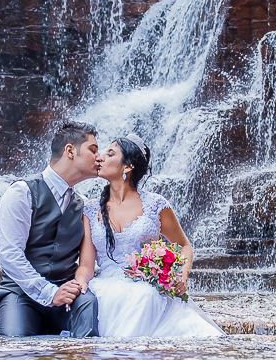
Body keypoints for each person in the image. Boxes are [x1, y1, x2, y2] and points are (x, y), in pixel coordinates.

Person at [74, 133, 223, 338]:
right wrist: (80, 281)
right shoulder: (90, 210)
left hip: (145, 287)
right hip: (105, 286)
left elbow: (183, 245)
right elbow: (86, 265)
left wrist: (181, 275)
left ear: (127, 167)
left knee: (144, 296)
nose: (100, 158)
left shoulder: (155, 205)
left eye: (110, 154)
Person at [0, 121, 101, 337]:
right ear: (70, 151)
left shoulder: (84, 206)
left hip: (68, 296)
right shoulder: (22, 192)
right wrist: (49, 293)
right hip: (21, 295)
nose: (99, 158)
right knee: (14, 349)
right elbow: (10, 255)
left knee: (88, 301)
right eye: (93, 150)